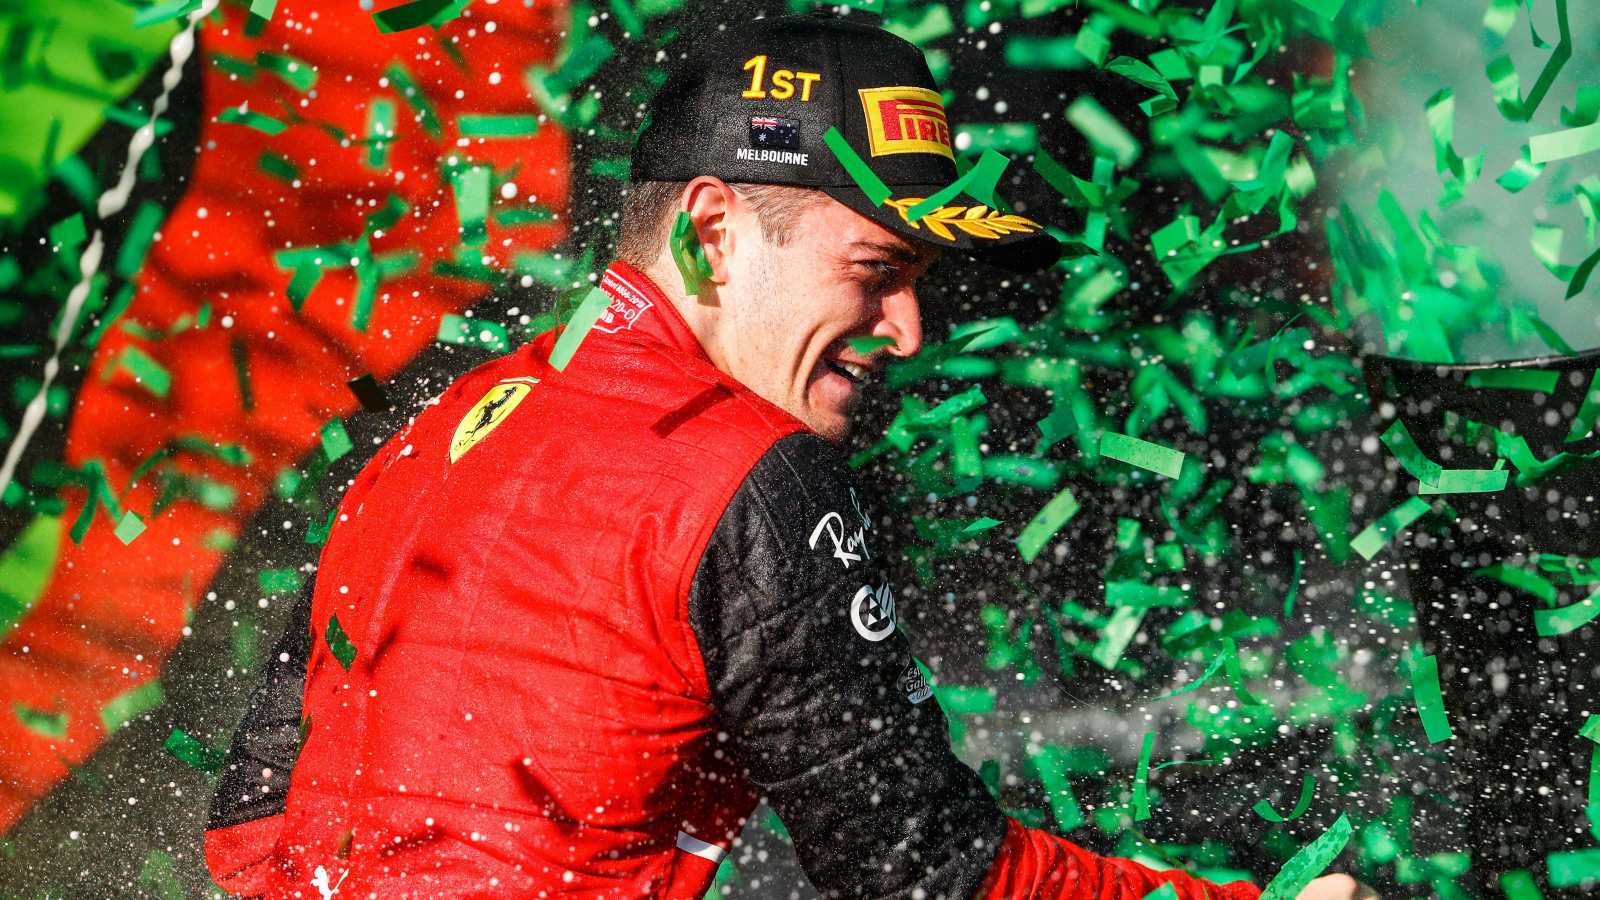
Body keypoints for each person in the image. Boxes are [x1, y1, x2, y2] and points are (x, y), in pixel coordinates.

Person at [204, 11, 1376, 899]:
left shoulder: (443, 424)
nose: (910, 332)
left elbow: (250, 821)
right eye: (877, 273)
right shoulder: (750, 471)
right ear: (714, 233)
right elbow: (917, 866)